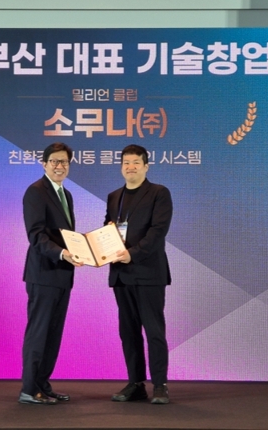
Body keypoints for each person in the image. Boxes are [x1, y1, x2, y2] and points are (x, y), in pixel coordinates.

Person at [105, 144, 173, 405]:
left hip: (148, 273)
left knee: (154, 330)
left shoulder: (159, 193)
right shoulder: (114, 196)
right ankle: (136, 383)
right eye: (126, 163)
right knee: (128, 332)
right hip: (121, 274)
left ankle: (160, 384)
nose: (130, 167)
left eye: (135, 162)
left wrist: (132, 254)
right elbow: (107, 229)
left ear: (146, 166)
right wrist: (99, 250)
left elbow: (158, 231)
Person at [19, 142, 82, 405]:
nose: (59, 166)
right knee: (39, 332)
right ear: (44, 163)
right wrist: (62, 253)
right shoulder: (36, 192)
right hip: (44, 274)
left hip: (63, 275)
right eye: (54, 161)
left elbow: (67, 235)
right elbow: (36, 235)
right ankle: (29, 389)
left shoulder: (66, 194)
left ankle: (43, 385)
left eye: (64, 162)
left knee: (53, 334)